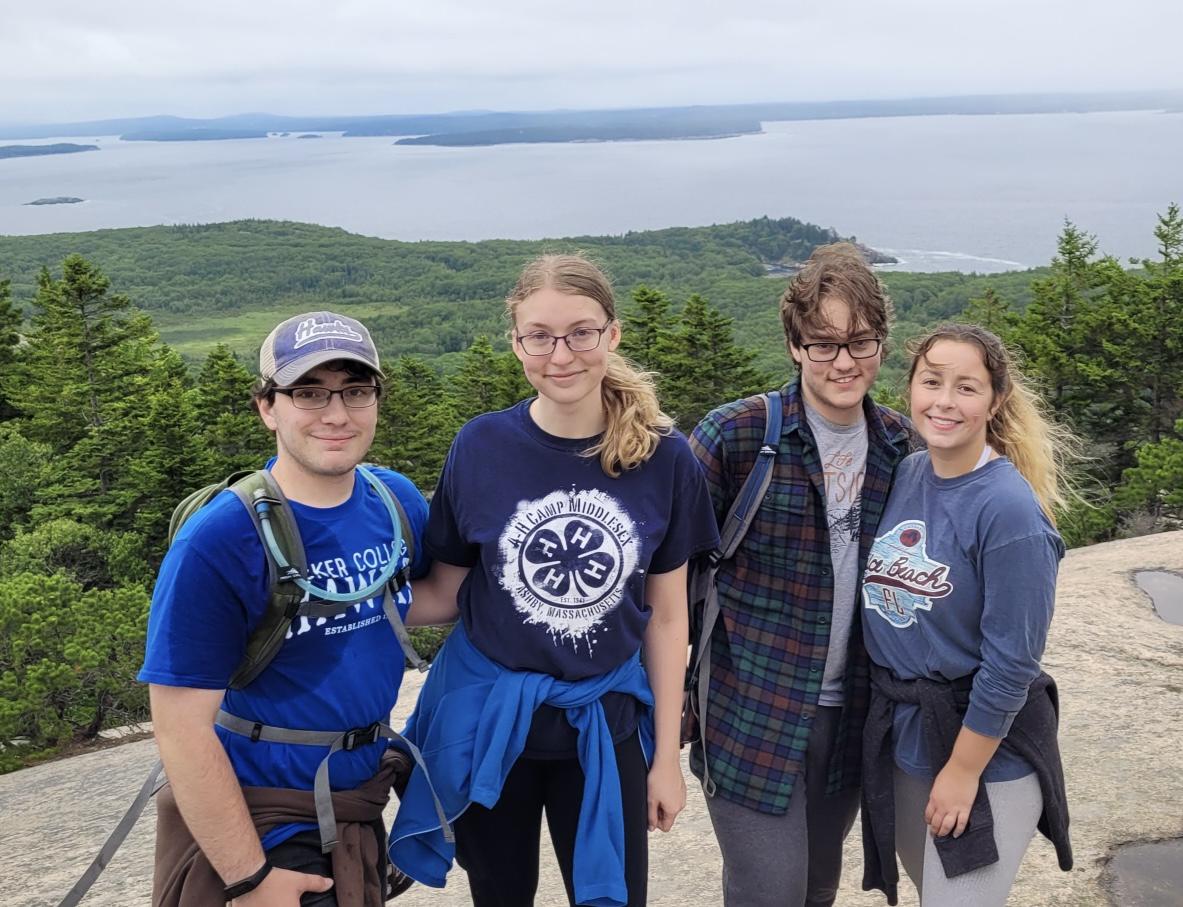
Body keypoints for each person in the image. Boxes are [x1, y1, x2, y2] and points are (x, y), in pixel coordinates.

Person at [387, 253, 719, 907]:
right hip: (490, 725)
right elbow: (446, 591)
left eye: (580, 332)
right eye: (539, 335)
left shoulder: (663, 456)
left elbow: (668, 613)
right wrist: (325, 608)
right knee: (499, 897)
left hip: (605, 725)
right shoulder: (479, 446)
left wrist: (665, 760)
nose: (559, 354)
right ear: (516, 342)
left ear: (612, 335)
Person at [139, 311, 451, 906]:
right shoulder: (219, 539)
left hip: (355, 805)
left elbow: (422, 600)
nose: (337, 414)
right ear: (267, 407)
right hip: (268, 819)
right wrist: (250, 879)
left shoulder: (394, 502)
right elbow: (180, 726)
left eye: (356, 391)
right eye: (308, 392)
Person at [688, 243, 915, 907]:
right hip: (751, 711)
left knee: (818, 887)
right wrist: (667, 695)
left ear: (880, 342)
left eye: (859, 341)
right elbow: (666, 574)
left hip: (851, 718)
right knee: (770, 891)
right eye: (822, 344)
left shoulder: (902, 446)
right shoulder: (737, 435)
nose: (843, 361)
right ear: (794, 345)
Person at [859, 323, 1073, 906]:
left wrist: (961, 772)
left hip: (985, 755)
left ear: (995, 400)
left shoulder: (1008, 512)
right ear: (911, 388)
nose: (944, 401)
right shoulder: (909, 473)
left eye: (967, 387)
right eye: (931, 382)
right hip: (908, 737)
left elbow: (1011, 666)